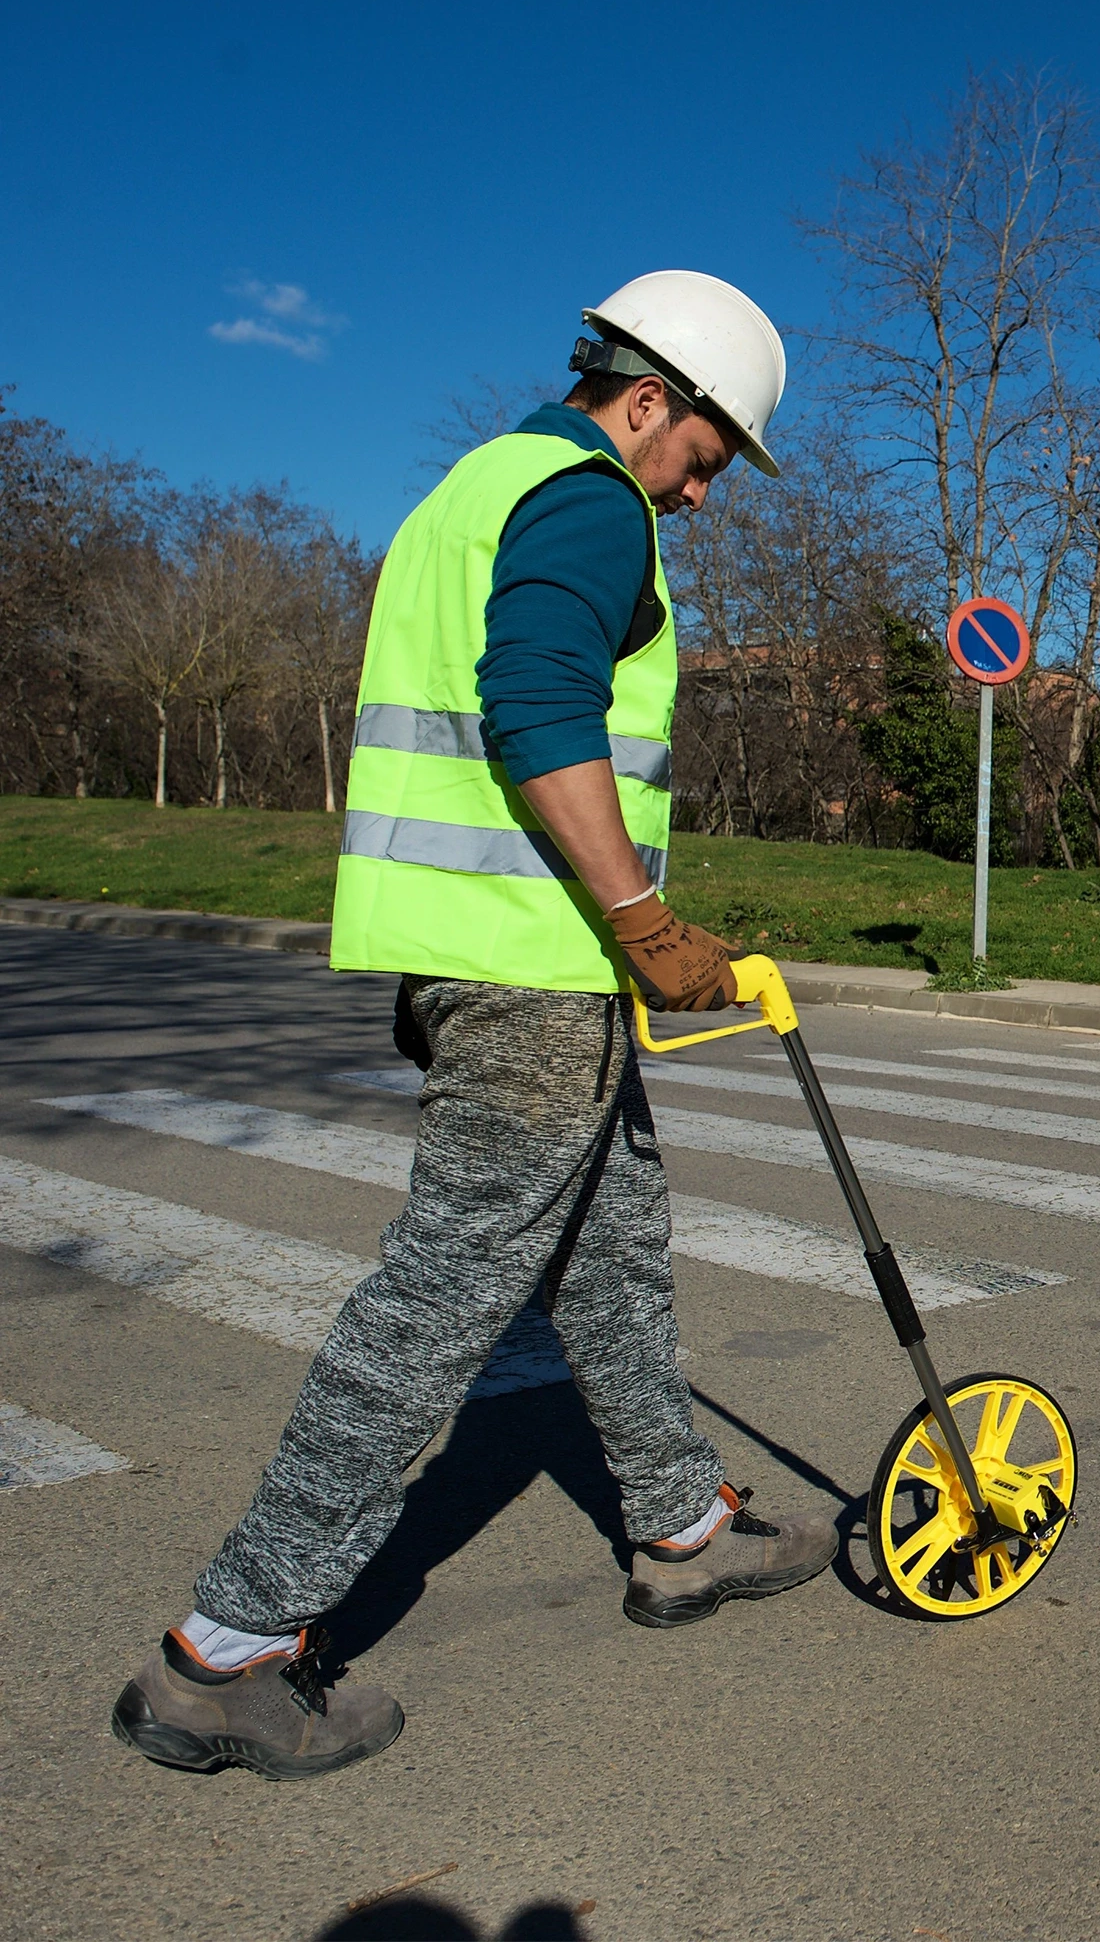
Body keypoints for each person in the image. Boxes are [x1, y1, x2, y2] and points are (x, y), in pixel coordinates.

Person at [111, 272, 838, 1781]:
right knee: (433, 1315)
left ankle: (684, 1529)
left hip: (493, 965)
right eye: (706, 460)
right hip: (535, 975)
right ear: (653, 402)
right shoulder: (587, 500)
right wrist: (642, 917)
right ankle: (230, 1652)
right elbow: (539, 715)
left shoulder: (473, 487)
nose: (702, 495)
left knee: (610, 1251)